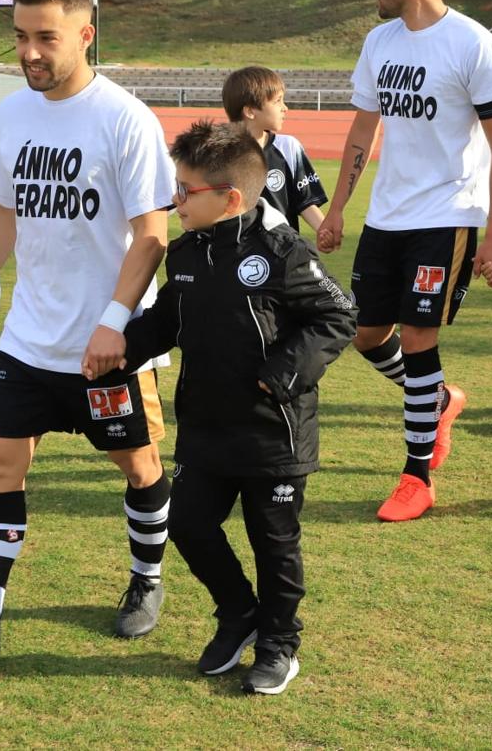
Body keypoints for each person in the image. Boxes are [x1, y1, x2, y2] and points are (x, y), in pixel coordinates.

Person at [0, 0, 176, 661]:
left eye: (45, 38)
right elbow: (4, 209)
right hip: (27, 340)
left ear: (86, 33)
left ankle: (146, 580)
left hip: (107, 345)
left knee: (139, 467)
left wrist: (116, 322)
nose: (28, 53)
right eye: (20, 36)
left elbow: (152, 234)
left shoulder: (126, 120)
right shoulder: (16, 112)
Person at [121, 122, 356, 695]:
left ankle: (279, 642)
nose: (174, 201)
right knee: (190, 524)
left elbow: (338, 316)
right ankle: (238, 613)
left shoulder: (281, 251)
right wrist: (115, 349)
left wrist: (281, 376)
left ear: (229, 198)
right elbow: (167, 321)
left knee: (273, 542)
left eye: (185, 191)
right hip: (205, 427)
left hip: (273, 432)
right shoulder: (183, 254)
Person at [317, 0, 492, 522]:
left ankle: (416, 477)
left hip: (447, 214)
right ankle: (438, 402)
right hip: (386, 218)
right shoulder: (379, 43)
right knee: (365, 335)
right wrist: (337, 207)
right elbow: (362, 129)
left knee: (417, 337)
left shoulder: (474, 44)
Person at [222, 66, 329, 235]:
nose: (284, 107)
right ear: (250, 111)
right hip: (236, 253)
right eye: (277, 101)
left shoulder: (288, 147)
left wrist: (324, 230)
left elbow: (305, 201)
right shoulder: (217, 153)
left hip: (282, 251)